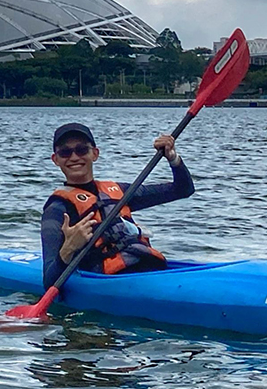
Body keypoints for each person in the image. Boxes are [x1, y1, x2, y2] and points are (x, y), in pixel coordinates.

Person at [40, 122, 193, 288]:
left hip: (151, 267)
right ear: (56, 159)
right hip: (113, 282)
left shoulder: (120, 191)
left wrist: (173, 158)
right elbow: (49, 280)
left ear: (95, 154)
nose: (74, 157)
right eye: (65, 152)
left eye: (82, 149)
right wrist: (69, 248)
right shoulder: (57, 209)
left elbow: (183, 189)